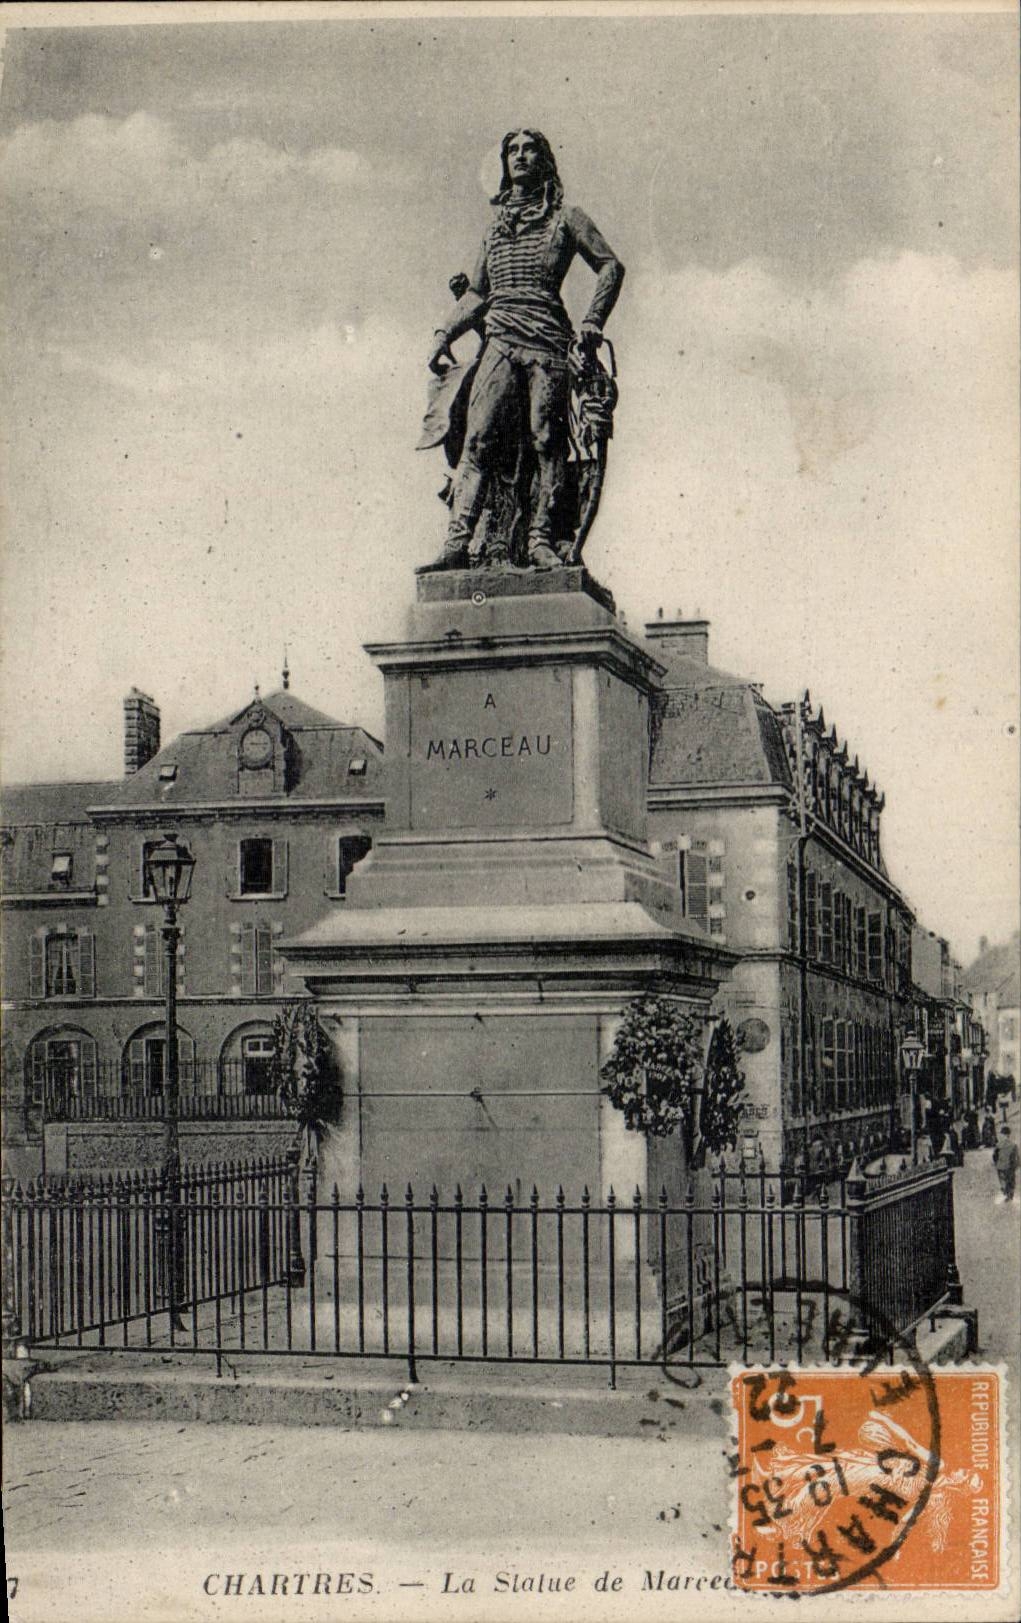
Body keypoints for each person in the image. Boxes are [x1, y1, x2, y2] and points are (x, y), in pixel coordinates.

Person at [423, 130, 625, 570]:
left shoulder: (567, 218)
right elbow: (477, 293)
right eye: (511, 150)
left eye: (529, 149)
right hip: (500, 339)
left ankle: (540, 540)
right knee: (477, 439)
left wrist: (593, 320)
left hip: (547, 342)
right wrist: (444, 333)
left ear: (544, 160)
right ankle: (456, 544)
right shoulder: (494, 230)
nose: (519, 156)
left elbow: (610, 265)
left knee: (547, 439)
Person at [992, 1126, 1018, 1203]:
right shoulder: (1013, 1145)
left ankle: (1005, 1193)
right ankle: (1010, 1194)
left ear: (1003, 1135)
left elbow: (994, 1155)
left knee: (1003, 1180)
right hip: (1010, 1166)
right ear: (1009, 1135)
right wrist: (1016, 1165)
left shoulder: (998, 1145)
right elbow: (1016, 1157)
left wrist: (996, 1163)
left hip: (1000, 1166)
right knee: (1011, 1180)